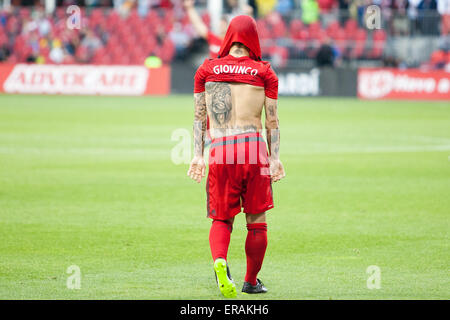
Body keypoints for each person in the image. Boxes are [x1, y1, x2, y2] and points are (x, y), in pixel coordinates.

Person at [187, 15, 285, 298]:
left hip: (221, 149)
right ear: (254, 39)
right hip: (254, 148)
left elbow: (199, 117)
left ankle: (220, 261)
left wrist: (197, 155)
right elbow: (272, 120)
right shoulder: (264, 72)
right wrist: (275, 158)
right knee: (256, 220)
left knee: (222, 218)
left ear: (229, 37)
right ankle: (251, 282)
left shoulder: (207, 70)